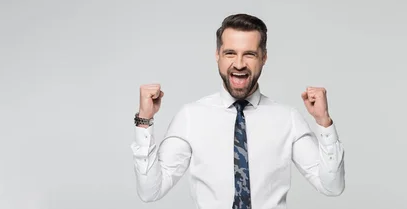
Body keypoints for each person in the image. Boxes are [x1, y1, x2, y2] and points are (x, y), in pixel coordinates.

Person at [130, 13, 345, 209]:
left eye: (249, 54)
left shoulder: (287, 118)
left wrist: (323, 122)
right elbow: (151, 191)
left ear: (264, 57)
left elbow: (332, 187)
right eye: (230, 53)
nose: (239, 64)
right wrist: (144, 120)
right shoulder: (191, 117)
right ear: (218, 55)